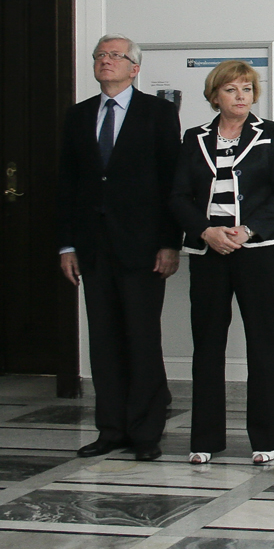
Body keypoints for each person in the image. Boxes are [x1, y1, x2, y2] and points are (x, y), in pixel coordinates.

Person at [57, 34, 181, 462]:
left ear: (135, 67)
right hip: (92, 247)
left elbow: (172, 184)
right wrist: (67, 244)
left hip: (144, 248)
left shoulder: (159, 114)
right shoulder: (78, 116)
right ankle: (110, 429)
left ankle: (146, 432)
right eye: (100, 55)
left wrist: (170, 243)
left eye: (115, 55)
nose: (105, 61)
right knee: (104, 341)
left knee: (142, 338)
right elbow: (68, 184)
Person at [170, 60, 274, 465]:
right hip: (209, 253)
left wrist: (247, 231)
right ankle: (205, 439)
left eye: (246, 89)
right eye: (231, 89)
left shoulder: (270, 135)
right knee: (207, 343)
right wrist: (206, 231)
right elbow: (177, 196)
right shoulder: (194, 138)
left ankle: (267, 438)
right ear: (214, 96)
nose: (240, 96)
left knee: (263, 341)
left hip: (255, 252)